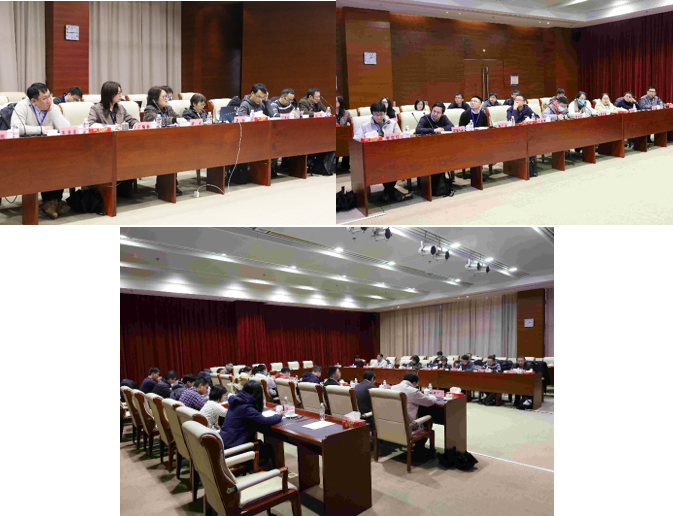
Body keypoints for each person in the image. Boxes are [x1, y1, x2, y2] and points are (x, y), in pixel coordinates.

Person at [10, 82, 71, 218]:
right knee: (41, 164)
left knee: (62, 161)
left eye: (50, 96)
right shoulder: (23, 106)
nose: (49, 100)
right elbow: (17, 128)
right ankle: (49, 202)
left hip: (50, 149)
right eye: (45, 98)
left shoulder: (52, 106)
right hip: (27, 149)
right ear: (34, 101)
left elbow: (66, 129)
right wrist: (43, 129)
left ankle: (54, 201)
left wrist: (53, 111)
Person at [354, 101, 406, 203]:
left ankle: (388, 192)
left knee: (394, 164)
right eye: (376, 115)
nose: (378, 117)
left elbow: (399, 138)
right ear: (372, 114)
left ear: (385, 113)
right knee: (383, 166)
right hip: (372, 156)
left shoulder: (392, 123)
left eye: (381, 114)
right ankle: (391, 191)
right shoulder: (365, 126)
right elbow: (356, 140)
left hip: (391, 153)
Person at [219, 382, 282, 455]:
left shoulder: (237, 401)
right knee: (270, 450)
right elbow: (265, 421)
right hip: (234, 449)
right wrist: (278, 415)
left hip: (226, 444)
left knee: (262, 445)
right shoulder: (246, 408)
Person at [143, 86, 184, 195]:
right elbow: (159, 120)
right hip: (151, 144)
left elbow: (178, 117)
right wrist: (175, 120)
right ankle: (165, 186)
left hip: (168, 142)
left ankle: (171, 184)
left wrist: (180, 119)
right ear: (155, 99)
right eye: (164, 96)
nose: (167, 99)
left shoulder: (168, 108)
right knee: (169, 153)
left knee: (175, 151)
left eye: (167, 96)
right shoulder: (149, 109)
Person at [391, 372, 436, 456]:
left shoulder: (393, 388)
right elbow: (429, 402)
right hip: (409, 425)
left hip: (394, 422)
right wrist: (433, 396)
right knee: (429, 418)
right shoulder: (413, 391)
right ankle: (419, 447)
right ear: (414, 383)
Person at [414, 102, 454, 196]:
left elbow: (451, 127)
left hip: (440, 148)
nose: (435, 114)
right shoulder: (425, 118)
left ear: (442, 113)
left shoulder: (444, 118)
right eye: (434, 111)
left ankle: (440, 184)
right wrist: (433, 130)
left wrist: (442, 129)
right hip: (425, 149)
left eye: (438, 112)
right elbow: (418, 130)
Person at [336, 95, 351, 171]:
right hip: (334, 135)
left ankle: (345, 164)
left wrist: (348, 124)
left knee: (347, 142)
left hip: (343, 135)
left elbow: (351, 122)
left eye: (336, 101)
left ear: (340, 103)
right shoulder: (330, 111)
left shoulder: (346, 113)